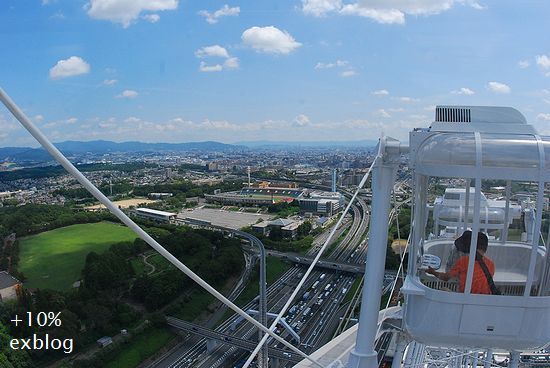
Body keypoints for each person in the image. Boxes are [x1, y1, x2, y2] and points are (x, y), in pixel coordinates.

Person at [426, 230, 495, 294]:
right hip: (483, 301)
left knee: (443, 289)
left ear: (472, 247)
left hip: (465, 299)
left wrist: (433, 272)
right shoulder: (491, 265)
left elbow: (446, 277)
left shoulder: (464, 261)